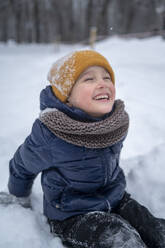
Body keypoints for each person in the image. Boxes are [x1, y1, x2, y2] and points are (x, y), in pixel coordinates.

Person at [2, 50, 165, 247]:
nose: (102, 83)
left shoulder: (116, 123)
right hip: (72, 214)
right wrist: (19, 197)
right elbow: (22, 165)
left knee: (155, 229)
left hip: (115, 198)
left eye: (107, 77)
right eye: (89, 79)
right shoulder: (51, 134)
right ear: (67, 96)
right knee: (122, 240)